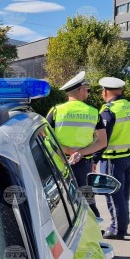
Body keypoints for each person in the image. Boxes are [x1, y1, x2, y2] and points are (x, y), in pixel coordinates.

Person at [46, 71, 107, 218]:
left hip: (58, 163)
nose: (88, 93)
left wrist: (67, 151)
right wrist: (80, 153)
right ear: (80, 90)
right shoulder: (93, 112)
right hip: (83, 164)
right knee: (87, 202)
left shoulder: (56, 111)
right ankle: (94, 227)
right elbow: (102, 142)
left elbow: (45, 136)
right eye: (87, 90)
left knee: (59, 203)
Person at [98, 77, 130, 240]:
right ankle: (123, 224)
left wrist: (95, 158)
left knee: (113, 195)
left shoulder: (109, 111)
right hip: (129, 157)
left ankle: (117, 229)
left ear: (105, 91)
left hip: (112, 159)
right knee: (123, 196)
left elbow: (103, 139)